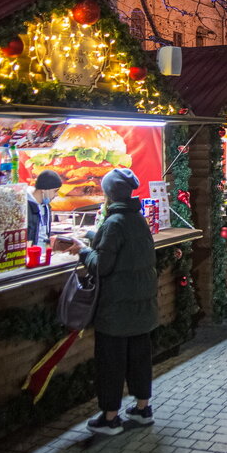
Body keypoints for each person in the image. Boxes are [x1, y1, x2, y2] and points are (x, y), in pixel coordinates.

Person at [69, 168, 157, 435]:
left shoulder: (114, 222)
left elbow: (103, 265)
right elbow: (121, 248)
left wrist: (83, 251)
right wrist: (90, 237)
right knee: (140, 359)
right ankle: (143, 409)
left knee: (111, 363)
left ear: (108, 192)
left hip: (117, 310)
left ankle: (110, 418)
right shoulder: (136, 219)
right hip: (142, 307)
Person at [26, 170, 62, 250]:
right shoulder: (25, 207)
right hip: (31, 256)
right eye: (55, 191)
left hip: (44, 255)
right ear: (44, 189)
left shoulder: (46, 206)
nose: (56, 195)